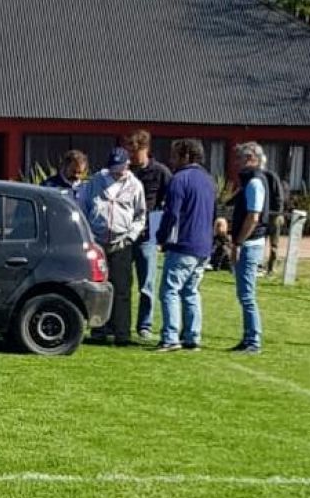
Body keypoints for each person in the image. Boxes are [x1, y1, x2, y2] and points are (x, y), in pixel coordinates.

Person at [154, 139, 216, 353]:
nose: (171, 160)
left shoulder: (179, 180)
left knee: (169, 290)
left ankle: (170, 336)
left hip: (183, 244)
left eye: (174, 156)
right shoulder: (209, 180)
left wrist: (161, 237)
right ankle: (192, 335)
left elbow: (172, 213)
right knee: (191, 291)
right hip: (204, 245)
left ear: (186, 156)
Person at [82, 147, 146, 346]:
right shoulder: (95, 182)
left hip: (121, 244)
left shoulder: (135, 186)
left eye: (120, 166)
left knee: (122, 289)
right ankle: (99, 330)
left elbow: (140, 215)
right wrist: (89, 236)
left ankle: (122, 333)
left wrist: (130, 237)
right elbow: (83, 207)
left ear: (127, 164)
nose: (117, 171)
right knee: (99, 287)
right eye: (114, 167)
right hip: (98, 243)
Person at [123, 129, 173, 341]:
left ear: (146, 149)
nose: (132, 157)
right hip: (125, 233)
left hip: (147, 235)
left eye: (135, 152)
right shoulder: (124, 171)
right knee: (122, 283)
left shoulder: (160, 172)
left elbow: (168, 202)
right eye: (129, 152)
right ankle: (119, 324)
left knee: (147, 284)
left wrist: (159, 233)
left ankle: (145, 325)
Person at [230, 141, 269, 354]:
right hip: (250, 241)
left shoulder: (254, 183)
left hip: (251, 243)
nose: (237, 163)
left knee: (247, 294)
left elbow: (253, 216)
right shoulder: (251, 181)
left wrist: (238, 242)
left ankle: (253, 340)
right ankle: (248, 337)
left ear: (251, 158)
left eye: (241, 159)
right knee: (244, 293)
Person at [260, 155, 286, 276]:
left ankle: (271, 267)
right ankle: (260, 266)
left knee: (273, 243)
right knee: (260, 240)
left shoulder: (271, 176)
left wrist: (278, 213)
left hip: (273, 214)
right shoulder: (256, 177)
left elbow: (279, 195)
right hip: (262, 213)